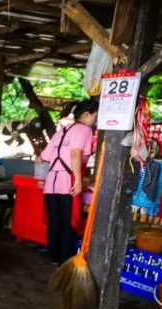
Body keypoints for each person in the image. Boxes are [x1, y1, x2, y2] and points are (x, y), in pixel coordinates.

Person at [41, 99, 99, 265]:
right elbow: (75, 153)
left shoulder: (62, 130)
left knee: (54, 222)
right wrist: (79, 180)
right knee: (69, 223)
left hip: (51, 183)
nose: (95, 119)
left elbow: (42, 157)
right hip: (68, 182)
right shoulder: (84, 130)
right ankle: (65, 261)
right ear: (86, 114)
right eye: (95, 115)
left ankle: (54, 257)